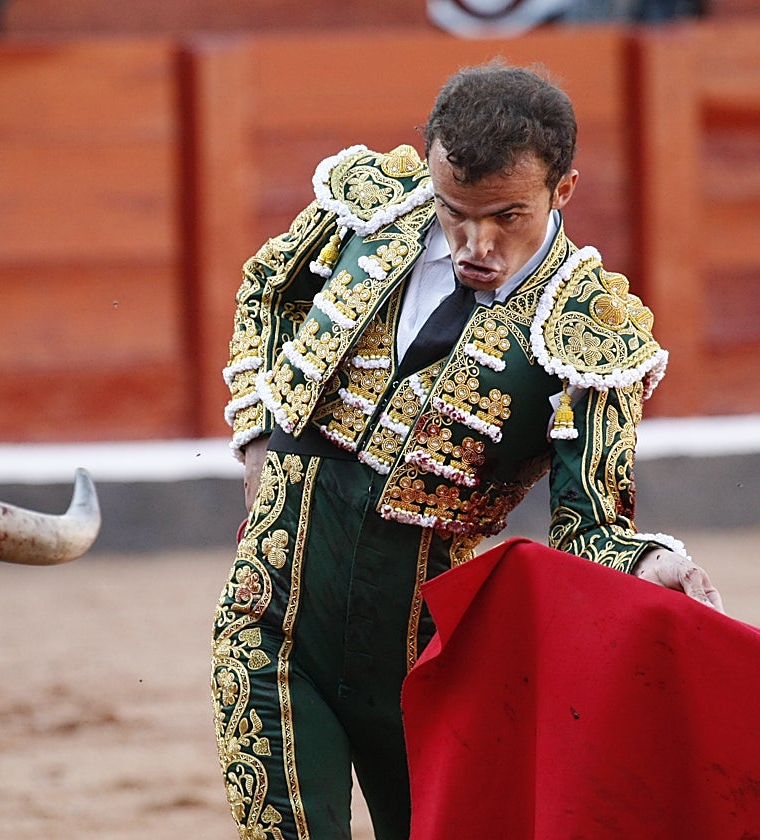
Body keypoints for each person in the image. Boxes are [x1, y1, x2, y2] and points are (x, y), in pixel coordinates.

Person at [212, 60, 722, 840]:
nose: (475, 244)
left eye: (508, 217)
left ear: (565, 190)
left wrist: (655, 562)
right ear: (429, 172)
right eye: (454, 212)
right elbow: (269, 290)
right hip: (271, 608)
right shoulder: (373, 209)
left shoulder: (588, 331)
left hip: (423, 659)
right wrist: (255, 440)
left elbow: (591, 523)